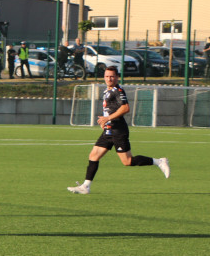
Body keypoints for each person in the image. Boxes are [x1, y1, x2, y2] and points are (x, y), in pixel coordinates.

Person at [67, 66, 170, 195]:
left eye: (112, 76)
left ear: (116, 77)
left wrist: (108, 118)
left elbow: (125, 108)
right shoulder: (106, 91)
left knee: (127, 161)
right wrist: (105, 121)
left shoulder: (118, 90)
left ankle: (159, 161)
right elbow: (110, 109)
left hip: (118, 130)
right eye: (107, 76)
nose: (109, 78)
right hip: (108, 131)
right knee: (93, 156)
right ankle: (86, 186)